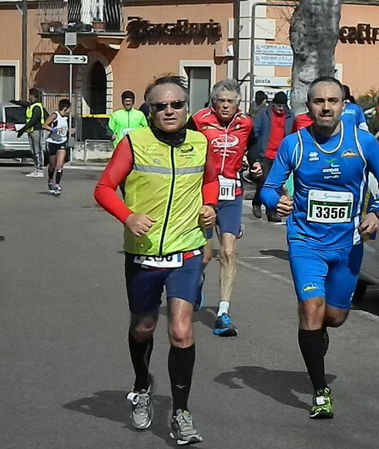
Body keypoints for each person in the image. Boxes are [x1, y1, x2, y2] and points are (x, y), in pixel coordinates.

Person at [260, 76, 379, 419]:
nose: (325, 107)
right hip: (305, 240)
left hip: (347, 244)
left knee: (333, 318)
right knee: (311, 306)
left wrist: (377, 212)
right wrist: (275, 201)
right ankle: (320, 390)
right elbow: (268, 187)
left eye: (332, 101)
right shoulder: (294, 144)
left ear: (343, 106)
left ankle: (319, 329)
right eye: (318, 101)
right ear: (308, 108)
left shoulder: (363, 142)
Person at [94, 75, 217, 445]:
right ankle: (141, 385)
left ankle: (181, 411)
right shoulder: (134, 143)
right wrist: (127, 216)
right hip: (144, 254)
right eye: (160, 105)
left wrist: (209, 206)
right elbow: (103, 188)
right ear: (149, 110)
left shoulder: (200, 142)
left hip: (187, 250)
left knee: (181, 330)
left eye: (176, 104)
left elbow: (210, 181)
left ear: (186, 107)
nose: (168, 111)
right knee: (143, 327)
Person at [188, 79, 254, 337]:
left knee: (228, 252)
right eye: (221, 101)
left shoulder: (246, 123)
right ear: (213, 103)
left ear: (238, 103)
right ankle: (195, 281)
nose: (225, 106)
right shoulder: (199, 120)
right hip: (204, 192)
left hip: (232, 193)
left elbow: (255, 146)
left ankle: (223, 313)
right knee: (205, 255)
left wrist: (255, 164)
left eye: (230, 101)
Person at [249, 91, 295, 222]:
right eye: (278, 106)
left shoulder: (290, 116)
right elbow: (255, 132)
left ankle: (271, 212)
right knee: (263, 182)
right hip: (265, 154)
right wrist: (254, 153)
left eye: (283, 106)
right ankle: (257, 202)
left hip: (281, 156)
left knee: (277, 186)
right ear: (273, 104)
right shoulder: (264, 114)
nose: (281, 109)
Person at [42, 99, 74, 195]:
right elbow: (44, 125)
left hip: (62, 142)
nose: (70, 110)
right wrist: (54, 129)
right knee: (52, 165)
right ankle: (50, 180)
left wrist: (68, 131)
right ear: (65, 108)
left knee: (60, 164)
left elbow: (63, 129)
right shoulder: (55, 115)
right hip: (52, 142)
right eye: (69, 108)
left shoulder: (66, 118)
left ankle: (57, 185)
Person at [14, 88, 47, 177]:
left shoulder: (37, 107)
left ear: (33, 96)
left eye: (29, 95)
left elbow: (33, 120)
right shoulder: (32, 105)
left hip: (36, 130)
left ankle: (40, 170)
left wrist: (23, 129)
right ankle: (36, 168)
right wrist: (16, 102)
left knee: (38, 150)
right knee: (33, 151)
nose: (29, 97)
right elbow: (25, 104)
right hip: (31, 131)